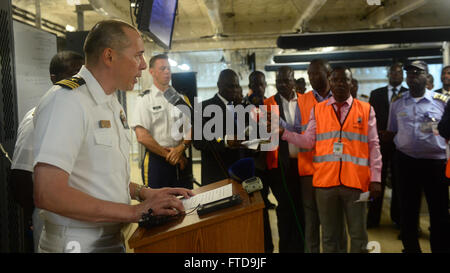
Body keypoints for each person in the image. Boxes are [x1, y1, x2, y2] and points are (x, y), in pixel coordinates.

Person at [32, 19, 193, 253]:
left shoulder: (110, 102)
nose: (142, 65)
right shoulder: (66, 101)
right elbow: (48, 193)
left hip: (109, 239)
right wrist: (134, 212)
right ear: (109, 56)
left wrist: (144, 193)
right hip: (76, 243)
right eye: (137, 55)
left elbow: (100, 175)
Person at [282, 66, 382, 253]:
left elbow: (374, 146)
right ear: (330, 83)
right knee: (329, 237)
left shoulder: (366, 109)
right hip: (325, 185)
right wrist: (284, 133)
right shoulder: (318, 110)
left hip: (356, 184)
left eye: (344, 80)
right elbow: (308, 141)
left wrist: (376, 178)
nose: (340, 84)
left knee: (359, 236)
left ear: (351, 83)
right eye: (335, 80)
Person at [10, 51, 84, 252]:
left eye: (83, 73)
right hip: (53, 222)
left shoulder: (82, 112)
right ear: (54, 78)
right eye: (74, 73)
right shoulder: (41, 115)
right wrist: (33, 213)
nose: (80, 79)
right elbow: (21, 174)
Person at [387, 60, 450, 253]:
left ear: (427, 76)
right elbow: (392, 131)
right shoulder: (397, 103)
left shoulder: (442, 101)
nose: (413, 75)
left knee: (439, 212)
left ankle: (440, 249)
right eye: (410, 73)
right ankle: (411, 249)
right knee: (408, 211)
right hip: (406, 163)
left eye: (418, 72)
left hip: (435, 163)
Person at [296, 59, 346, 253]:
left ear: (328, 74)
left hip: (336, 170)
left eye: (316, 73)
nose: (312, 78)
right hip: (309, 171)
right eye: (309, 74)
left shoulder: (343, 98)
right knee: (311, 221)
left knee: (335, 221)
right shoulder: (301, 101)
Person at [131, 54, 192, 189]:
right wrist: (171, 156)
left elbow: (193, 128)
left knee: (187, 203)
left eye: (169, 68)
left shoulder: (181, 98)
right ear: (151, 72)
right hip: (157, 161)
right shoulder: (144, 99)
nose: (167, 71)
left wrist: (181, 148)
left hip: (181, 156)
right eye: (163, 68)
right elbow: (142, 136)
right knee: (158, 206)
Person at [264, 66, 305, 253]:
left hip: (305, 165)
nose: (282, 84)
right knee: (285, 209)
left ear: (294, 81)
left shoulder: (306, 101)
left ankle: (302, 247)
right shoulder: (268, 104)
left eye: (286, 81)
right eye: (278, 81)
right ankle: (286, 249)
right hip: (281, 167)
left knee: (304, 209)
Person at [367, 62, 408, 228]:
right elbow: (371, 119)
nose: (396, 75)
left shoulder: (408, 94)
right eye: (393, 72)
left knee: (399, 182)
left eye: (399, 72)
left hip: (401, 145)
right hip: (380, 144)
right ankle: (373, 217)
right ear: (388, 74)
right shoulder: (376, 94)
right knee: (377, 181)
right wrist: (379, 134)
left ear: (402, 76)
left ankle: (397, 218)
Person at [193, 69, 244, 185]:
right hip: (216, 174)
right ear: (219, 85)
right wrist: (225, 141)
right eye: (230, 86)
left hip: (241, 173)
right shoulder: (203, 108)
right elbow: (198, 142)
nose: (235, 90)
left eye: (237, 86)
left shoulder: (240, 107)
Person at [242, 70, 274, 253]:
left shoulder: (270, 104)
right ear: (250, 85)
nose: (258, 88)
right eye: (254, 84)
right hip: (254, 166)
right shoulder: (242, 106)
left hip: (272, 164)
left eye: (261, 84)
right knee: (258, 211)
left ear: (265, 85)